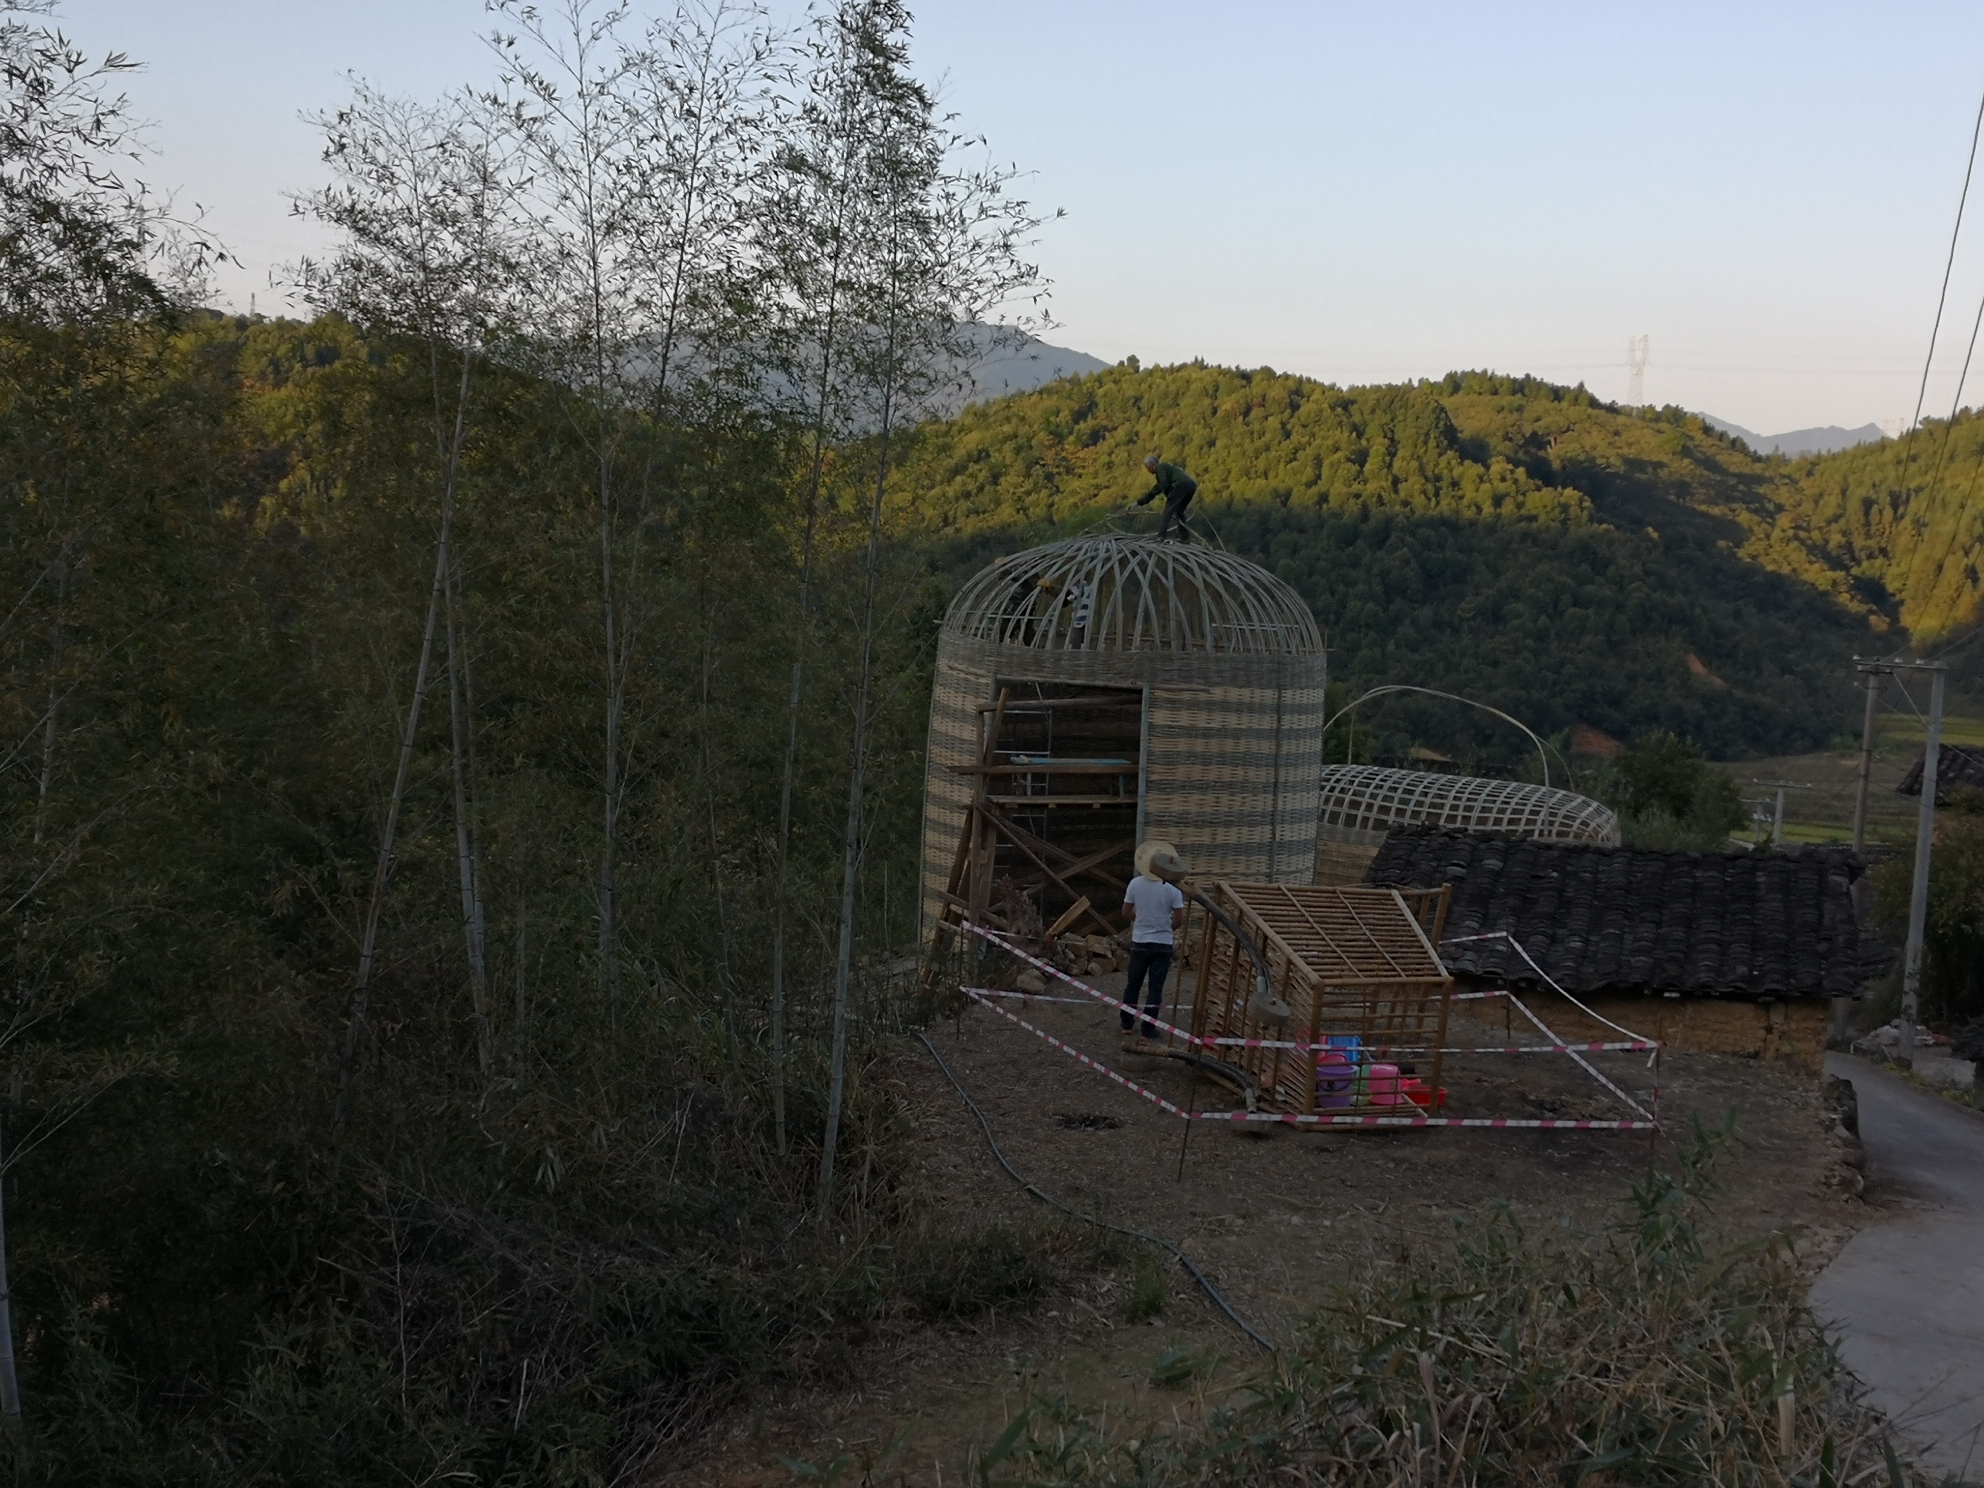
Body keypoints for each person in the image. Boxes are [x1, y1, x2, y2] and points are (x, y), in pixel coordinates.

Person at [1119, 843, 1186, 1051]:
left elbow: (1126, 911)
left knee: (1133, 983)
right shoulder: (1173, 889)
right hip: (1162, 943)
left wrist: (1139, 921)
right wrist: (1166, 927)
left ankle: (1127, 1024)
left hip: (1140, 940)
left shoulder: (1135, 884)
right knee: (1155, 988)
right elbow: (1179, 919)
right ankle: (1149, 1027)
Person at [1136, 454, 1197, 542]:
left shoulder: (1159, 467)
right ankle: (1185, 538)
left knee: (1167, 511)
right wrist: (1139, 502)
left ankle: (1161, 536)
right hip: (1191, 486)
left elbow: (1164, 484)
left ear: (1152, 464)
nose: (1147, 470)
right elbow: (1155, 490)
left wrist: (1169, 495)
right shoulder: (1165, 470)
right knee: (1179, 511)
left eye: (1147, 467)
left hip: (1180, 486)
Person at [1037, 571, 1093, 648]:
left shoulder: (1080, 586)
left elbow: (1065, 595)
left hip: (1080, 618)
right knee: (1081, 641)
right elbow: (1066, 599)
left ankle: (1075, 657)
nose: (1073, 578)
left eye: (1075, 576)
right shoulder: (1086, 587)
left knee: (1075, 642)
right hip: (1085, 617)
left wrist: (1050, 587)